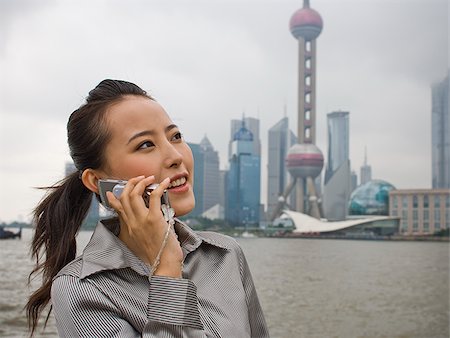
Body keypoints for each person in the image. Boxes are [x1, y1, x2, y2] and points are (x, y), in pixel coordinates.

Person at [26, 79, 269, 337]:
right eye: (145, 145)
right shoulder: (82, 289)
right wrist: (166, 270)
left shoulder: (225, 255)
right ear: (97, 181)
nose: (176, 156)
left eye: (175, 136)